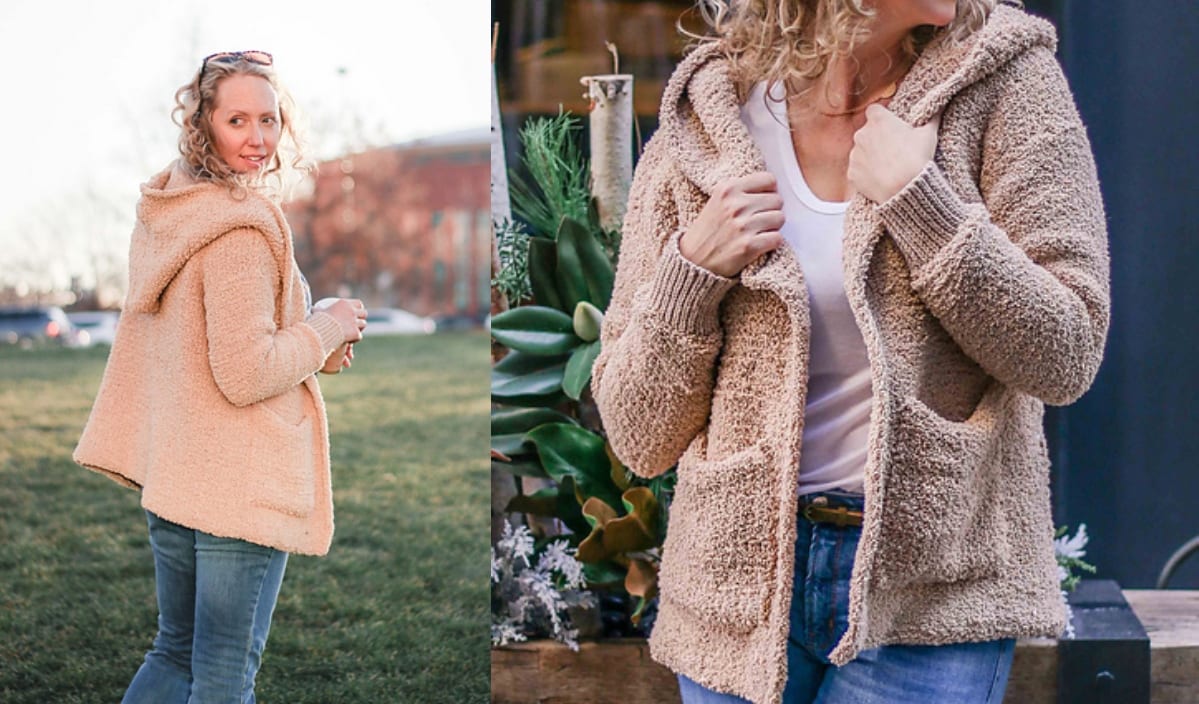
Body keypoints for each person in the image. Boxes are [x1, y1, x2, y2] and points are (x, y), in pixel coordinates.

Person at [591, 0, 1109, 702]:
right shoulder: (708, 116)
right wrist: (693, 269)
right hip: (736, 590)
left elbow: (1066, 351)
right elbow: (637, 432)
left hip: (929, 590)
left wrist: (920, 204)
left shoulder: (1006, 80)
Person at [73, 50, 367, 703]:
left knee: (173, 654)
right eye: (237, 119)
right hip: (238, 484)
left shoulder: (173, 213)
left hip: (179, 473)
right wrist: (330, 324)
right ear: (202, 124)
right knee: (223, 675)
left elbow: (217, 346)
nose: (257, 137)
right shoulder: (237, 229)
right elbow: (244, 372)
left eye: (268, 118)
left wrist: (316, 339)